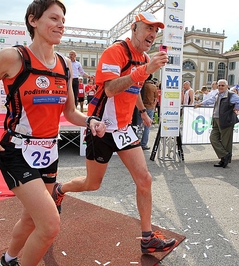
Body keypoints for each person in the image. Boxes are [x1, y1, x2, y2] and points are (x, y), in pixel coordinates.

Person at [0, 1, 106, 265]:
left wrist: (90, 121)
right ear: (33, 20)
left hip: (49, 151)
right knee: (50, 224)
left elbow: (69, 113)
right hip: (17, 150)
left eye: (63, 20)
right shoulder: (13, 57)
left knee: (31, 218)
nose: (61, 24)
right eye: (54, 18)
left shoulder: (64, 64)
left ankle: (8, 259)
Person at [52, 11, 177, 254]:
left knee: (145, 179)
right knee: (92, 184)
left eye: (155, 30)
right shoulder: (115, 52)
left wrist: (141, 112)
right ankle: (60, 190)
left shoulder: (143, 57)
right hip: (100, 127)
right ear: (134, 28)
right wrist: (145, 70)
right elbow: (110, 89)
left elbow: (133, 88)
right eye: (148, 28)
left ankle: (147, 237)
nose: (152, 34)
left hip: (123, 129)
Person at [194, 79, 239, 168]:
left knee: (226, 142)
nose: (220, 87)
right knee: (213, 138)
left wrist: (235, 108)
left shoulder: (230, 95)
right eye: (219, 85)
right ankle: (225, 155)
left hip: (226, 120)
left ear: (226, 86)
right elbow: (210, 100)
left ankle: (224, 160)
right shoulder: (218, 94)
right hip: (216, 119)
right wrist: (200, 104)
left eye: (222, 85)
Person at [137, 74, 158, 150]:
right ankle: (144, 144)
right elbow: (155, 98)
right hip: (150, 107)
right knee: (147, 127)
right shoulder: (153, 87)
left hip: (140, 107)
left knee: (138, 126)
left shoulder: (141, 85)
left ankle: (136, 143)